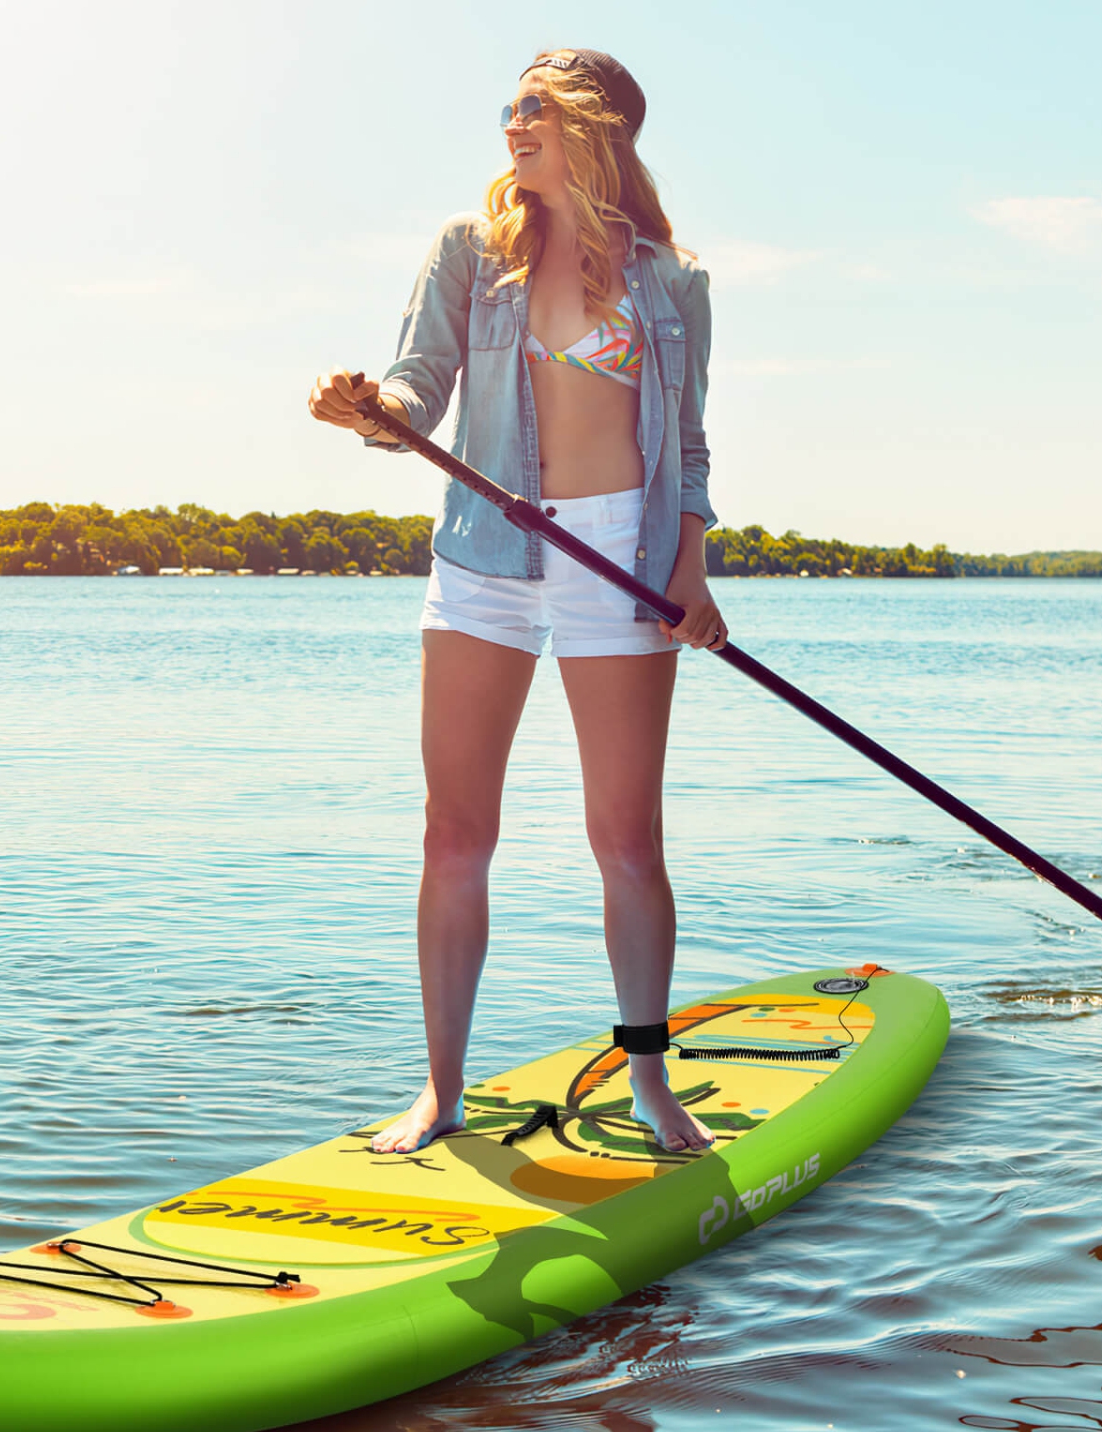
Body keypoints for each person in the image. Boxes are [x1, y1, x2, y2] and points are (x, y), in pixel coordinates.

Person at [309, 48, 726, 1156]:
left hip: (622, 565)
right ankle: (439, 1092)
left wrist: (689, 573)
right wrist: (368, 409)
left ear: (597, 128)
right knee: (455, 831)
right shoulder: (468, 252)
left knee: (627, 840)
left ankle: (651, 1084)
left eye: (530, 108)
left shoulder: (673, 283)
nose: (509, 127)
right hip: (485, 562)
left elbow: (685, 450)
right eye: (507, 108)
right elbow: (417, 387)